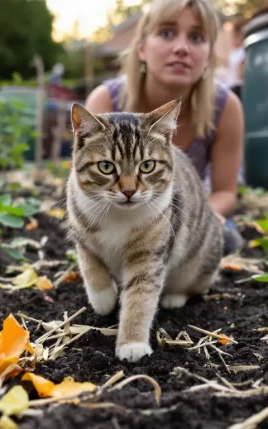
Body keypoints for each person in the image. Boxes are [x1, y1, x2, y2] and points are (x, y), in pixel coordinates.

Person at [84, 0, 244, 251]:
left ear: (209, 55)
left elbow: (226, 192)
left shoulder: (225, 108)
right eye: (167, 33)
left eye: (196, 37)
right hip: (117, 216)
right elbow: (87, 186)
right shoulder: (105, 102)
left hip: (191, 213)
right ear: (141, 48)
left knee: (224, 246)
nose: (181, 47)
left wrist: (191, 220)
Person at [224, 18, 245, 101]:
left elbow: (240, 74)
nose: (231, 40)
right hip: (231, 87)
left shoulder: (241, 52)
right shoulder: (235, 52)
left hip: (236, 87)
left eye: (233, 37)